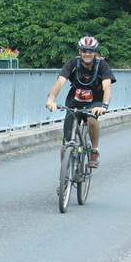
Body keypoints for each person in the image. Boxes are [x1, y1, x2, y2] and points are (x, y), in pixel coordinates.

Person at [46, 36, 116, 168]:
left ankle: (94, 150)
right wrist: (51, 100)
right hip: (74, 102)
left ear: (95, 52)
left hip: (94, 102)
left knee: (91, 119)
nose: (87, 54)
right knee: (66, 141)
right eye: (84, 50)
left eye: (90, 51)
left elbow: (107, 87)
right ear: (79, 51)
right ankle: (65, 176)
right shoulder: (72, 63)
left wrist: (104, 106)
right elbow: (60, 82)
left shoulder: (102, 65)